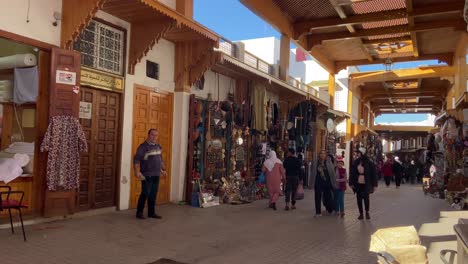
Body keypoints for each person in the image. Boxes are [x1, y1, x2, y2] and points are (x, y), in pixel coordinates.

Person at [134, 128, 168, 219]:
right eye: (153, 135)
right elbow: (137, 159)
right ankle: (139, 212)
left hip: (156, 174)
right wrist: (137, 171)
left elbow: (160, 160)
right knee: (145, 193)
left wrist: (163, 170)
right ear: (148, 135)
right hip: (146, 174)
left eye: (156, 135)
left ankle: (151, 213)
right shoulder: (143, 147)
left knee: (153, 194)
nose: (154, 137)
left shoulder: (158, 146)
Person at [349, 148, 378, 220]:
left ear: (362, 153)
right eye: (357, 153)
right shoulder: (356, 162)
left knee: (366, 198)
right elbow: (352, 173)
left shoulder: (369, 163)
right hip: (358, 183)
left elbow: (374, 174)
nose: (357, 154)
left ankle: (367, 212)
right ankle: (361, 214)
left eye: (359, 153)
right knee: (359, 199)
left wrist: (374, 184)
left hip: (366, 183)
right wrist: (351, 182)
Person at [311, 150, 337, 217]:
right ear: (319, 155)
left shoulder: (328, 162)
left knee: (328, 196)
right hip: (318, 181)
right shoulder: (316, 162)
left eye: (324, 154)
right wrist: (312, 182)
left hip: (327, 182)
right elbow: (313, 172)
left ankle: (330, 209)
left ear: (326, 155)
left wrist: (334, 182)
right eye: (321, 153)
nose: (322, 155)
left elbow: (332, 173)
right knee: (317, 197)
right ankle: (318, 212)